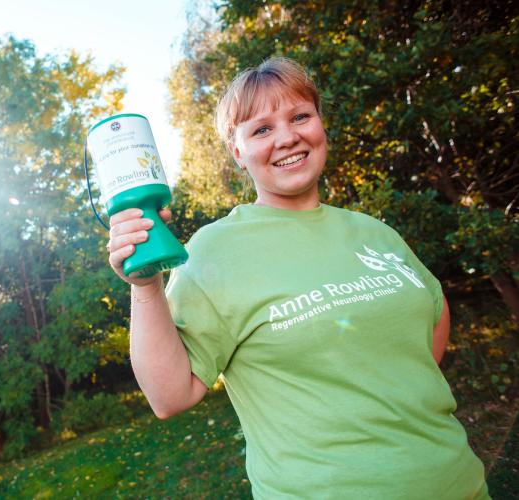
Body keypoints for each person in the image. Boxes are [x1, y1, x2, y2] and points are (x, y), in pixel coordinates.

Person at [106, 57, 489, 499]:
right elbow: (169, 396)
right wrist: (145, 285)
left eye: (300, 116)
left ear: (320, 124)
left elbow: (435, 313)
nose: (287, 137)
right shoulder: (214, 251)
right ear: (238, 152)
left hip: (461, 483)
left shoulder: (374, 231)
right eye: (262, 129)